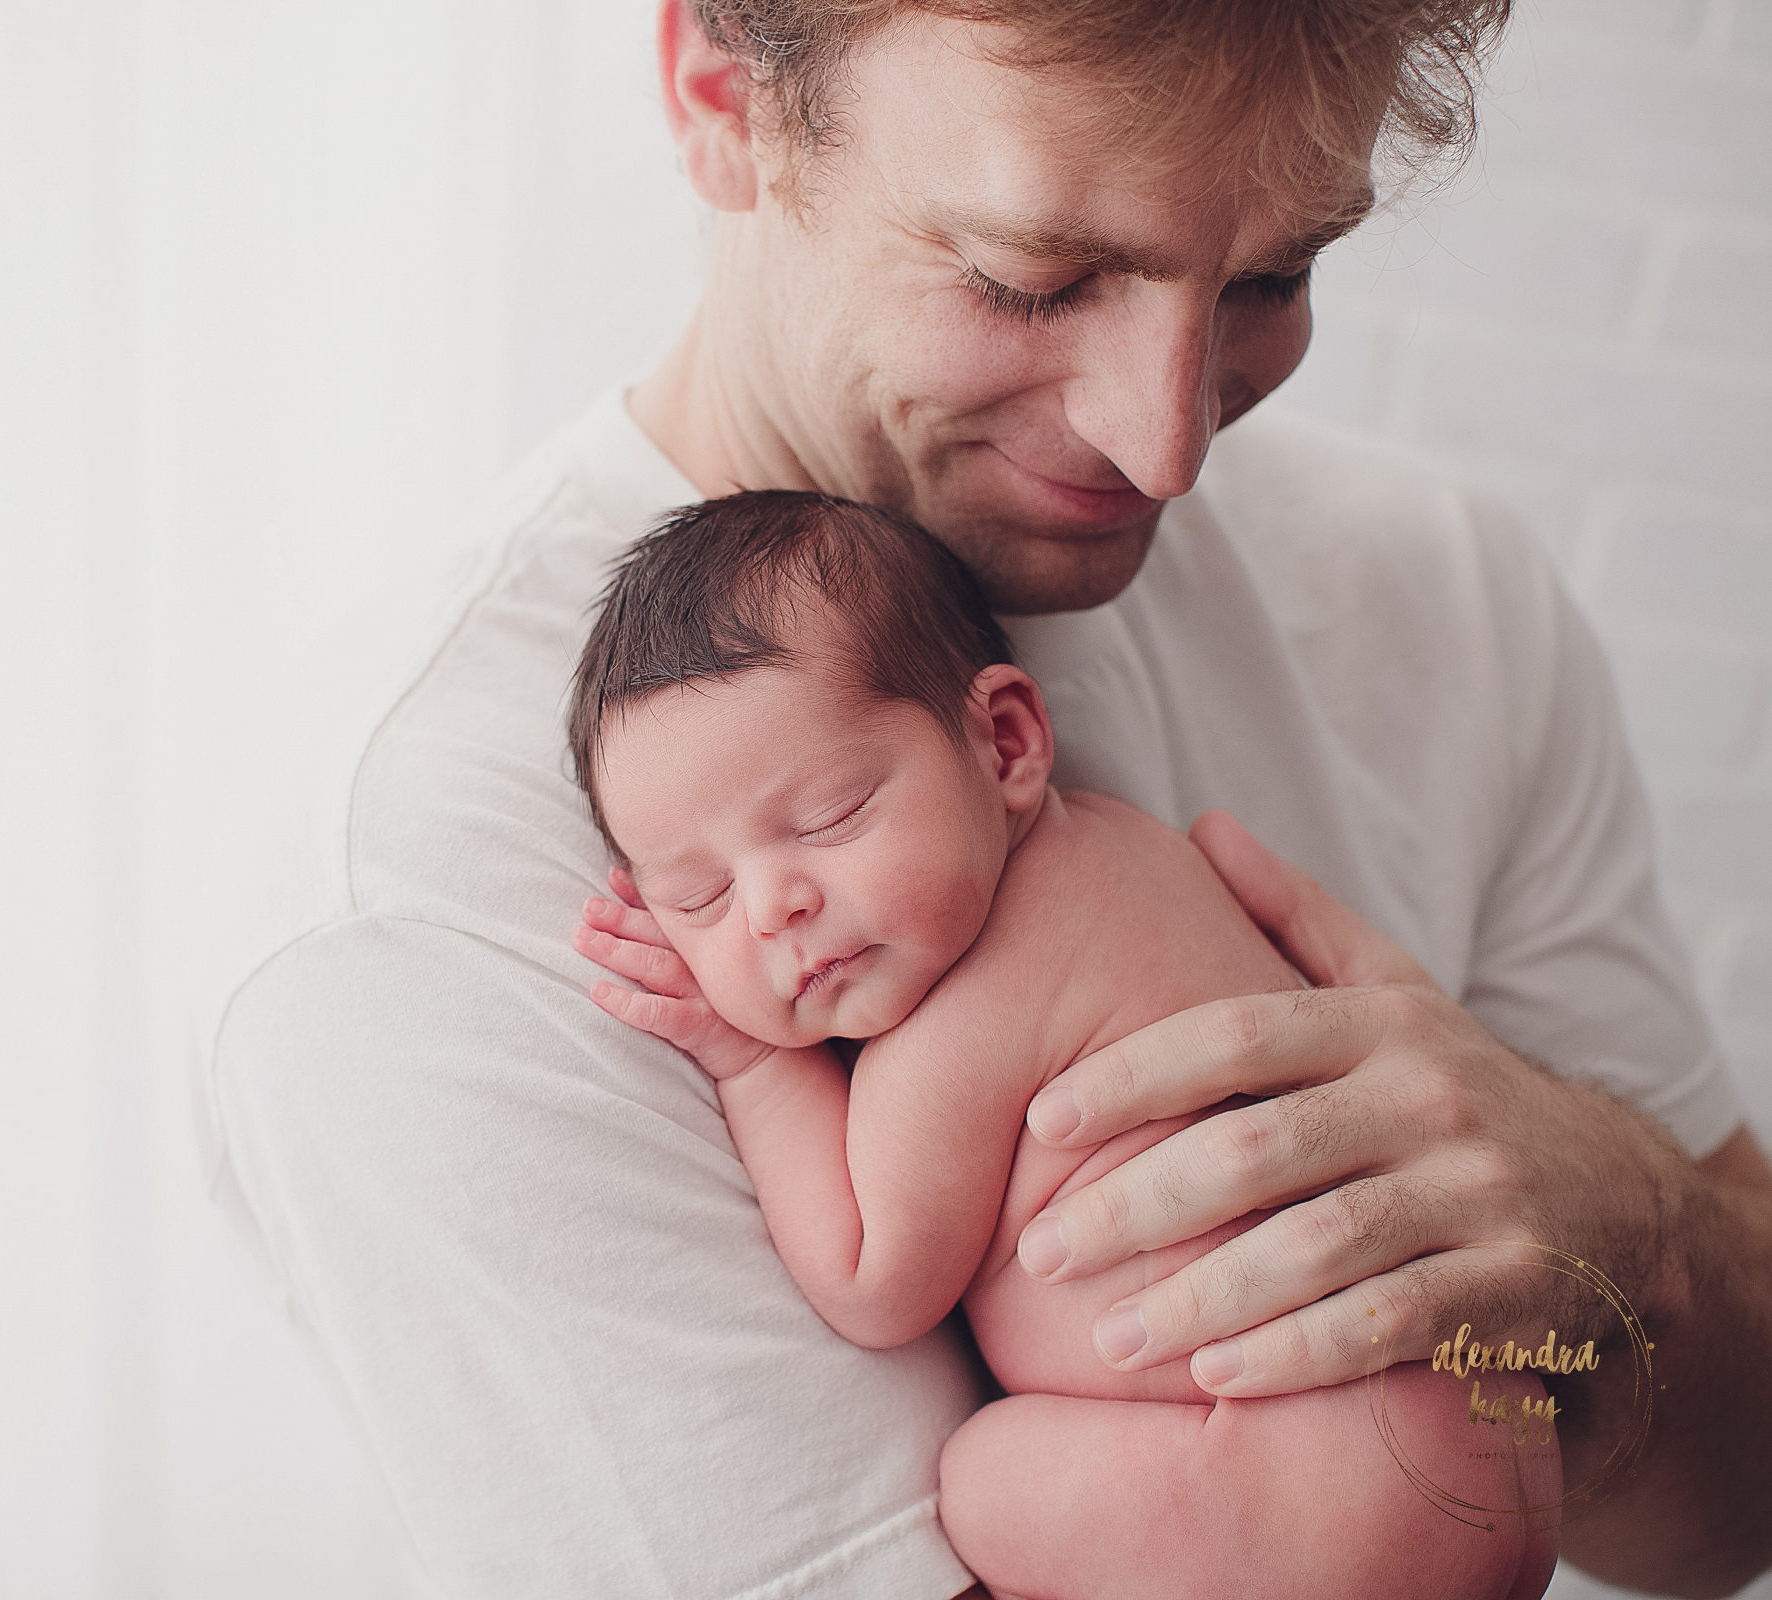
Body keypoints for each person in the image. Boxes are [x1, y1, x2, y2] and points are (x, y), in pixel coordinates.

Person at [199, 3, 1772, 1595]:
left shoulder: (1445, 594)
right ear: (721, 93)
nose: (1163, 445)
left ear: (1004, 740)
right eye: (1033, 277)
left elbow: (1740, 1517)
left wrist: (1622, 1249)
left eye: (1272, 279)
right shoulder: (427, 886)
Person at [568, 489, 1557, 1600]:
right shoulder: (1143, 848)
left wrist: (751, 1061)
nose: (772, 909)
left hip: (1307, 1490)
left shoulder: (953, 1029)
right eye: (699, 898)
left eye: (831, 816)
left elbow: (871, 1281)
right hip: (1500, 1428)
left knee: (980, 1474)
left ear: (1005, 743)